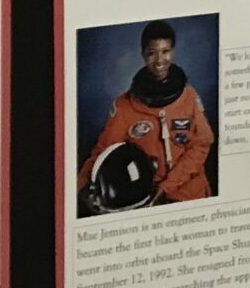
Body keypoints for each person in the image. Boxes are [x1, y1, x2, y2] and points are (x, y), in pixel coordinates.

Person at [79, 20, 215, 208]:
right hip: (146, 198)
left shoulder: (189, 96)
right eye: (152, 53)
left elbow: (201, 144)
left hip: (191, 194)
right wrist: (82, 186)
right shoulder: (125, 106)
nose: (160, 60)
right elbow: (104, 151)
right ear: (143, 54)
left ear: (173, 51)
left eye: (165, 51)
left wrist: (167, 187)